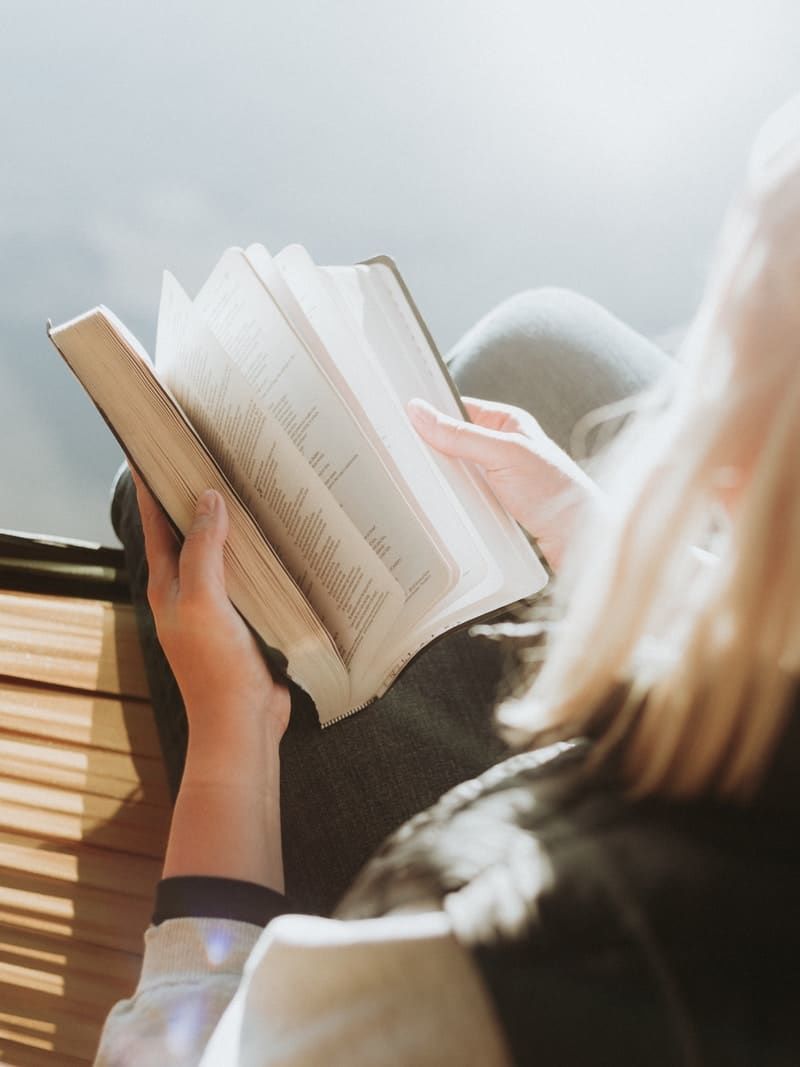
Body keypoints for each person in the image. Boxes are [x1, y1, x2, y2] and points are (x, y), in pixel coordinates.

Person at [96, 97, 800, 1066]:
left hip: (531, 935)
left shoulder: (457, 958)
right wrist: (599, 539)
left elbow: (187, 1048)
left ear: (734, 446)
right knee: (533, 342)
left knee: (165, 501)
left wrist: (229, 735)